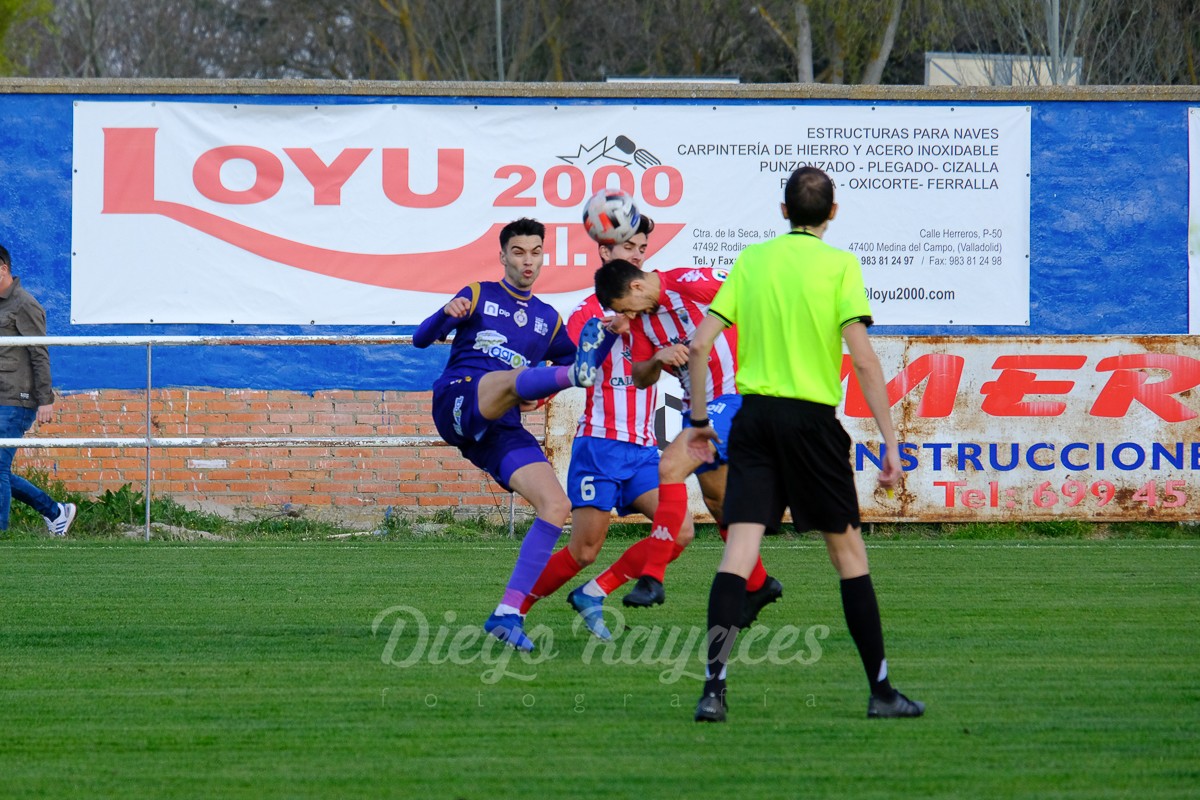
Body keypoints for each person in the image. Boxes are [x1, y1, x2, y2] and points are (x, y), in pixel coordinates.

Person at [683, 167, 924, 722]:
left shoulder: (753, 260)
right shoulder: (839, 265)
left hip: (754, 419)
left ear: (783, 210)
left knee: (738, 553)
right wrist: (890, 441)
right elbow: (862, 358)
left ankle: (713, 690)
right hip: (812, 424)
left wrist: (698, 421)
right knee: (848, 556)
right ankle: (882, 692)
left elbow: (699, 346)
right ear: (833, 212)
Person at [413, 218, 618, 652]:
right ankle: (557, 380)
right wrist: (442, 316)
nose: (528, 260)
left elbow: (583, 357)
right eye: (519, 252)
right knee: (514, 378)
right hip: (459, 400)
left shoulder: (547, 318)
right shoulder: (479, 294)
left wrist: (607, 338)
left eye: (536, 252)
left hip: (499, 427)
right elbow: (420, 339)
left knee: (556, 504)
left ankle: (507, 613)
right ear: (503, 255)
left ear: (544, 256)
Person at [518, 215, 696, 640]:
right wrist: (537, 393)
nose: (638, 255)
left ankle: (594, 593)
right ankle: (514, 610)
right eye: (628, 247)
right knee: (583, 549)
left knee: (681, 530)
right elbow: (572, 364)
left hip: (642, 450)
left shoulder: (650, 311)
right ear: (605, 253)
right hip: (600, 445)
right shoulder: (588, 312)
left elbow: (652, 366)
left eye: (642, 248)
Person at [593, 260, 781, 627]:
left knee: (670, 466)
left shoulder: (691, 283)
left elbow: (756, 294)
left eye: (622, 308)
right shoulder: (644, 321)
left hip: (739, 394)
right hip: (697, 406)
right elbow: (641, 377)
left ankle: (653, 577)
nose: (625, 316)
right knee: (720, 503)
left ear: (635, 288)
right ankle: (760, 584)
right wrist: (658, 358)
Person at [0, 245, 76, 536]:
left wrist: (46, 399)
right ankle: (56, 511)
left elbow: (39, 353)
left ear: (3, 268)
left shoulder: (24, 304)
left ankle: (2, 535)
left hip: (15, 400)